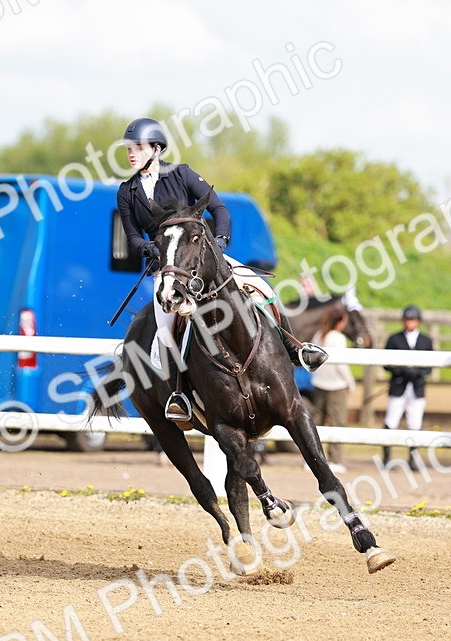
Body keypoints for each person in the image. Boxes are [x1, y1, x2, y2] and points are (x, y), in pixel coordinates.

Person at [115, 117, 327, 422]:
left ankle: (293, 347)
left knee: (261, 287)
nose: (131, 153)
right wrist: (147, 248)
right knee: (164, 329)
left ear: (156, 148)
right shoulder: (127, 191)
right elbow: (133, 235)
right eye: (129, 149)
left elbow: (219, 209)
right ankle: (178, 393)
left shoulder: (182, 174)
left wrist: (221, 239)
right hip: (171, 268)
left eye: (137, 147)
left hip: (205, 257)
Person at [383, 304, 433, 469]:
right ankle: (386, 458)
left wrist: (418, 372)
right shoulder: (394, 339)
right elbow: (386, 363)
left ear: (418, 321)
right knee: (391, 420)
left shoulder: (426, 341)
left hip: (417, 387)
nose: (410, 322)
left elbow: (430, 366)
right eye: (407, 319)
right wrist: (401, 371)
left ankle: (413, 459)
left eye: (413, 319)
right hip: (399, 385)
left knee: (415, 422)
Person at [309, 305, 357, 472]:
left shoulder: (318, 335)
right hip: (336, 385)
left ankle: (313, 458)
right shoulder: (339, 338)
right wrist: (350, 383)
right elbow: (341, 365)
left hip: (319, 383)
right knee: (338, 421)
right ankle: (335, 459)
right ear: (340, 321)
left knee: (317, 421)